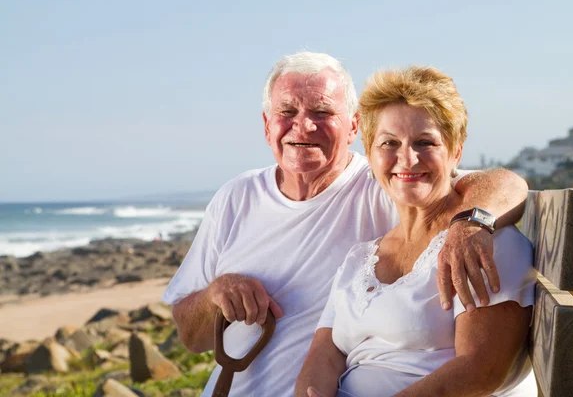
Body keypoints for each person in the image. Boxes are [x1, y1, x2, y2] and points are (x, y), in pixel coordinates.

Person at [162, 52, 529, 396]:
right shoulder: (236, 197)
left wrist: (471, 224)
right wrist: (215, 293)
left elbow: (503, 184)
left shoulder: (386, 180)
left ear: (354, 128)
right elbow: (190, 337)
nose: (302, 125)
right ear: (266, 124)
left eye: (322, 112)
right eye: (286, 110)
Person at [295, 66, 536, 397]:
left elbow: (481, 370)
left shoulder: (482, 243)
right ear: (369, 153)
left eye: (425, 142)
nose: (407, 159)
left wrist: (470, 223)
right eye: (389, 143)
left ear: (456, 152)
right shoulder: (360, 257)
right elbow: (324, 353)